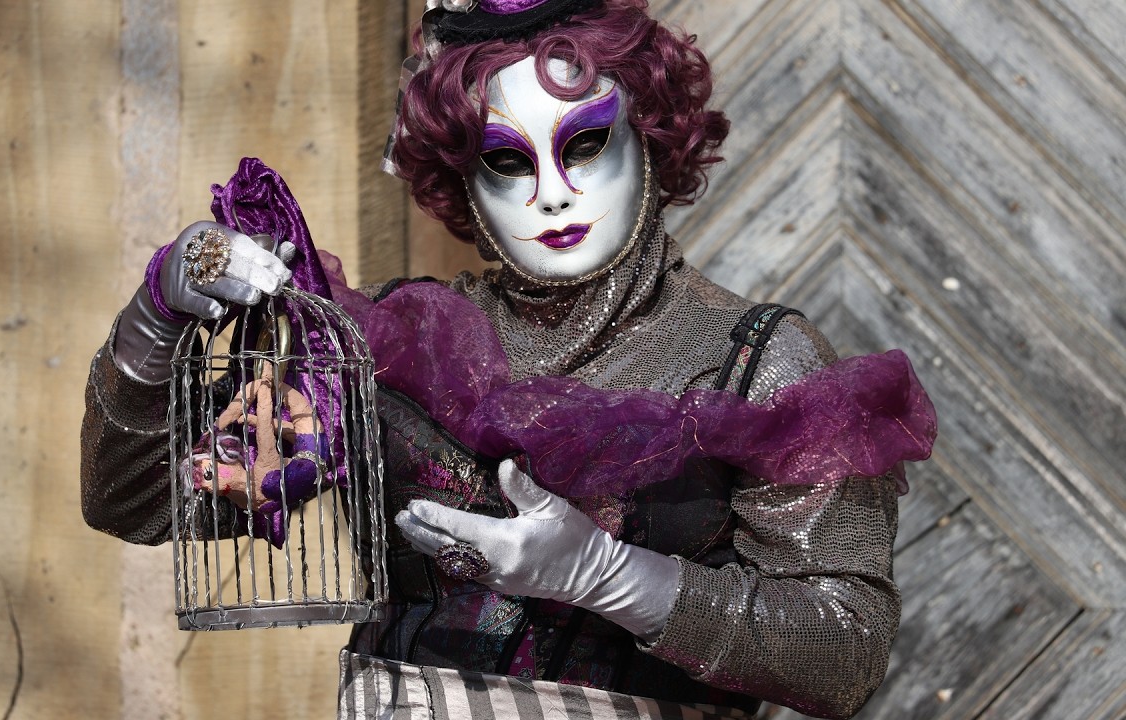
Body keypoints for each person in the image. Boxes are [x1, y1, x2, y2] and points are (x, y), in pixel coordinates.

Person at [81, 1, 935, 718]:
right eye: (505, 160)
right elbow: (137, 506)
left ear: (650, 135)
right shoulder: (397, 345)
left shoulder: (756, 363)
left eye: (586, 144)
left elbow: (847, 652)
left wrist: (615, 578)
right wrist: (159, 315)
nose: (551, 193)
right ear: (463, 175)